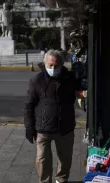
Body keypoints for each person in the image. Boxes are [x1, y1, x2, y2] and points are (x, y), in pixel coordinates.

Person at [24, 49, 81, 183]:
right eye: (50, 65)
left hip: (65, 127)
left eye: (56, 65)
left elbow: (77, 94)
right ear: (45, 64)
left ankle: (61, 180)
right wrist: (29, 127)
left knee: (65, 158)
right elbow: (28, 105)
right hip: (43, 128)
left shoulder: (69, 78)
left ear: (62, 64)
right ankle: (45, 181)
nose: (53, 68)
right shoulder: (36, 80)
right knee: (42, 159)